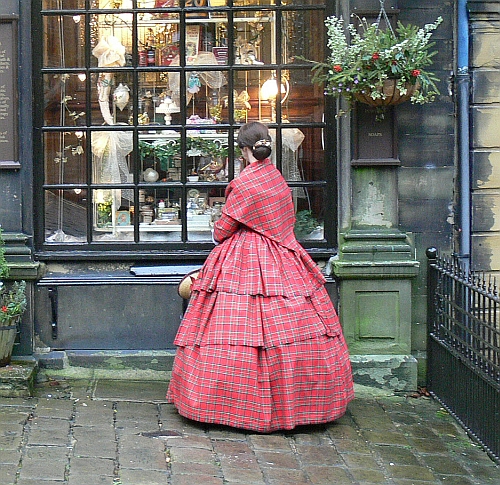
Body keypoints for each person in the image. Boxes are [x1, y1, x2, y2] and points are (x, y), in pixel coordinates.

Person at [167, 121, 354, 432]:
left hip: (245, 258)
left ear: (243, 150)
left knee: (234, 331)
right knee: (293, 329)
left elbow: (223, 230)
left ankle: (230, 405)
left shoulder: (245, 182)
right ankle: (300, 404)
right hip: (284, 255)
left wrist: (220, 223)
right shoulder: (276, 177)